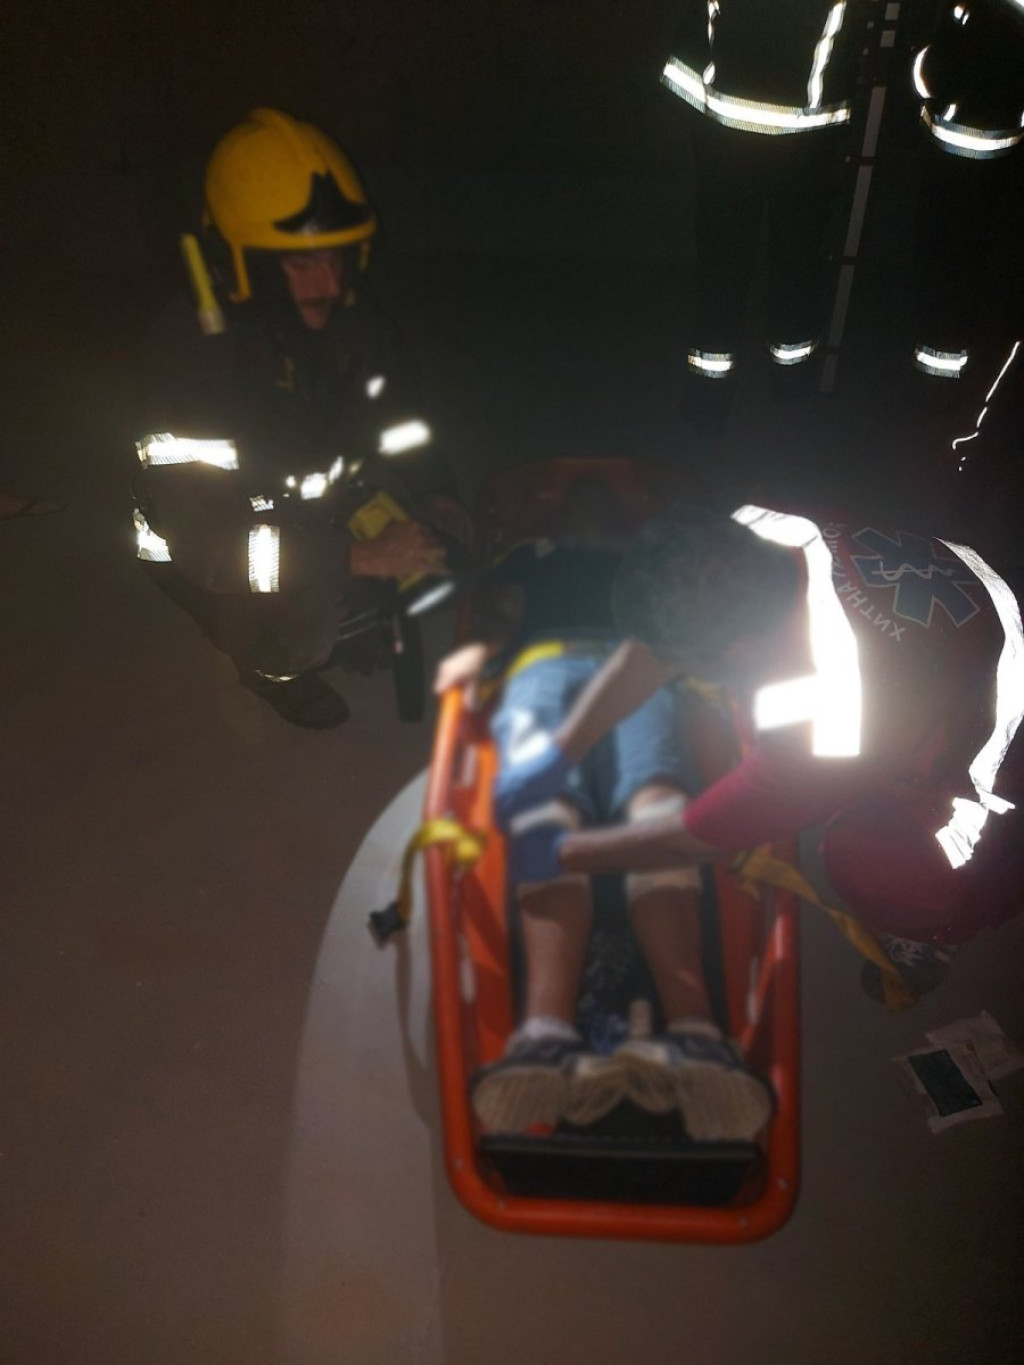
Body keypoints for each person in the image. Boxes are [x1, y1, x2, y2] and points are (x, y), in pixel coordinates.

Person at [494, 502, 1024, 1002]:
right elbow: (655, 650)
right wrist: (560, 751)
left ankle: (942, 923)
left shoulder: (828, 717)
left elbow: (695, 839)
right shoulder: (756, 528)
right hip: (969, 617)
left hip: (996, 761)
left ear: (740, 650)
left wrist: (561, 853)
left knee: (860, 857)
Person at [435, 482, 775, 1140]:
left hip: (644, 668)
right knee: (544, 810)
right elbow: (500, 612)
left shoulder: (644, 565)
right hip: (543, 663)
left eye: (602, 497)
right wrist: (478, 647)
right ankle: (546, 1033)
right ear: (558, 515)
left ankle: (695, 1033)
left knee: (657, 802)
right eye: (579, 495)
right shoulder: (533, 555)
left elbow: (681, 626)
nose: (589, 501)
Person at [135, 108, 463, 728]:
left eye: (337, 258)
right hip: (216, 547)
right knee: (297, 629)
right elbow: (207, 546)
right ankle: (269, 669)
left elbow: (398, 418)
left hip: (308, 500)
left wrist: (435, 489)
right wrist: (355, 557)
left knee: (436, 570)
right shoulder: (190, 361)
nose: (328, 283)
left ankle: (345, 594)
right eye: (301, 263)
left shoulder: (354, 321)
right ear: (244, 263)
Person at [660, 1, 871, 416]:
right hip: (807, 136)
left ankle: (708, 399)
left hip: (728, 130)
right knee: (797, 262)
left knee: (722, 263)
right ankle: (791, 387)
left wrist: (695, 109)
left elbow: (699, 25)